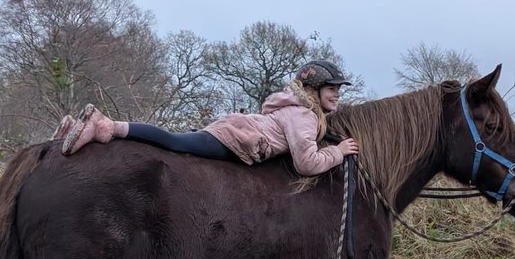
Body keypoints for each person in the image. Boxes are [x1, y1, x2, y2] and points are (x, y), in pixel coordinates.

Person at [53, 60, 360, 176]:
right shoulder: (304, 116)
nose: (337, 95)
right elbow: (306, 164)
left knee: (178, 142)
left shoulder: (296, 108)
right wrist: (338, 152)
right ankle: (106, 126)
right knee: (175, 143)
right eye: (331, 89)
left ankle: (74, 129)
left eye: (338, 90)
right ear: (313, 89)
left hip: (238, 129)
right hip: (237, 139)